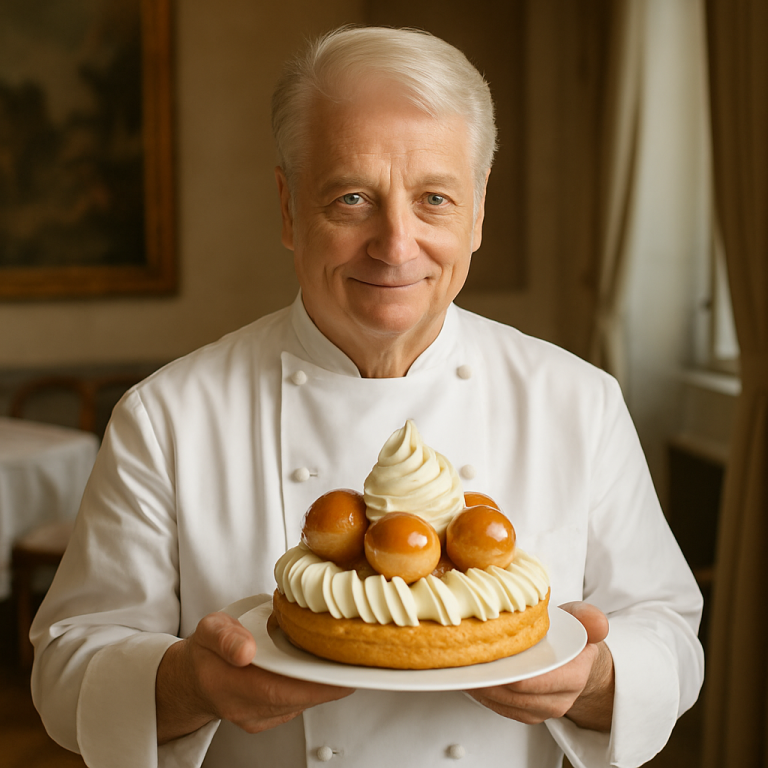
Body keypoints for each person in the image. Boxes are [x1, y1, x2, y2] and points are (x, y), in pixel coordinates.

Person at [31, 26, 704, 768]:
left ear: (478, 211)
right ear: (289, 210)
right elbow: (68, 666)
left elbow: (667, 631)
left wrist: (598, 680)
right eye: (352, 198)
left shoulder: (578, 401)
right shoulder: (168, 417)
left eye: (434, 199)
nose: (395, 244)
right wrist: (189, 684)